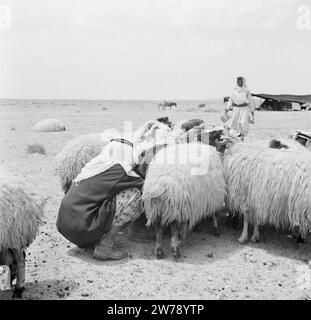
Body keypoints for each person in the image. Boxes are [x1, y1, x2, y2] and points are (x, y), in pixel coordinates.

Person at [56, 120, 161, 261]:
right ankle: (105, 246)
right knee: (136, 196)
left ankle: (90, 241)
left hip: (65, 226)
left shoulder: (94, 166)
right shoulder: (120, 171)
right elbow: (150, 187)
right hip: (81, 228)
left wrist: (145, 132)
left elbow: (129, 141)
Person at [225, 77, 255, 141]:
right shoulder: (234, 90)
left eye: (241, 81)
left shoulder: (247, 91)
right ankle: (236, 136)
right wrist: (228, 107)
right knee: (234, 123)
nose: (240, 82)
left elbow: (250, 100)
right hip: (236, 109)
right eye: (238, 81)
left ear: (243, 82)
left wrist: (252, 110)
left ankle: (242, 135)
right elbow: (231, 99)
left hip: (244, 109)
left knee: (243, 122)